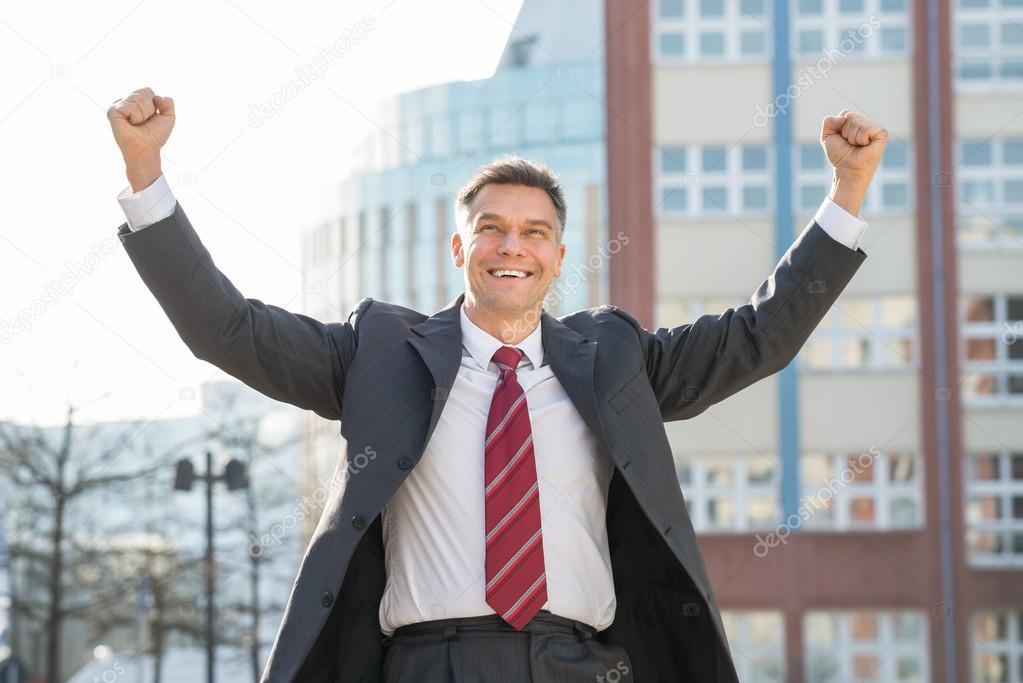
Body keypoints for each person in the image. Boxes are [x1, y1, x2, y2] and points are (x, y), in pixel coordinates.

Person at [107, 87, 886, 682]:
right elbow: (229, 329)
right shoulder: (380, 352)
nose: (512, 245)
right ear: (459, 246)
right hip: (429, 662)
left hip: (579, 659)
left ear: (556, 254)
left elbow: (757, 336)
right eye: (492, 228)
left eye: (534, 231)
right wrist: (147, 177)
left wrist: (846, 193)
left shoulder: (616, 358)